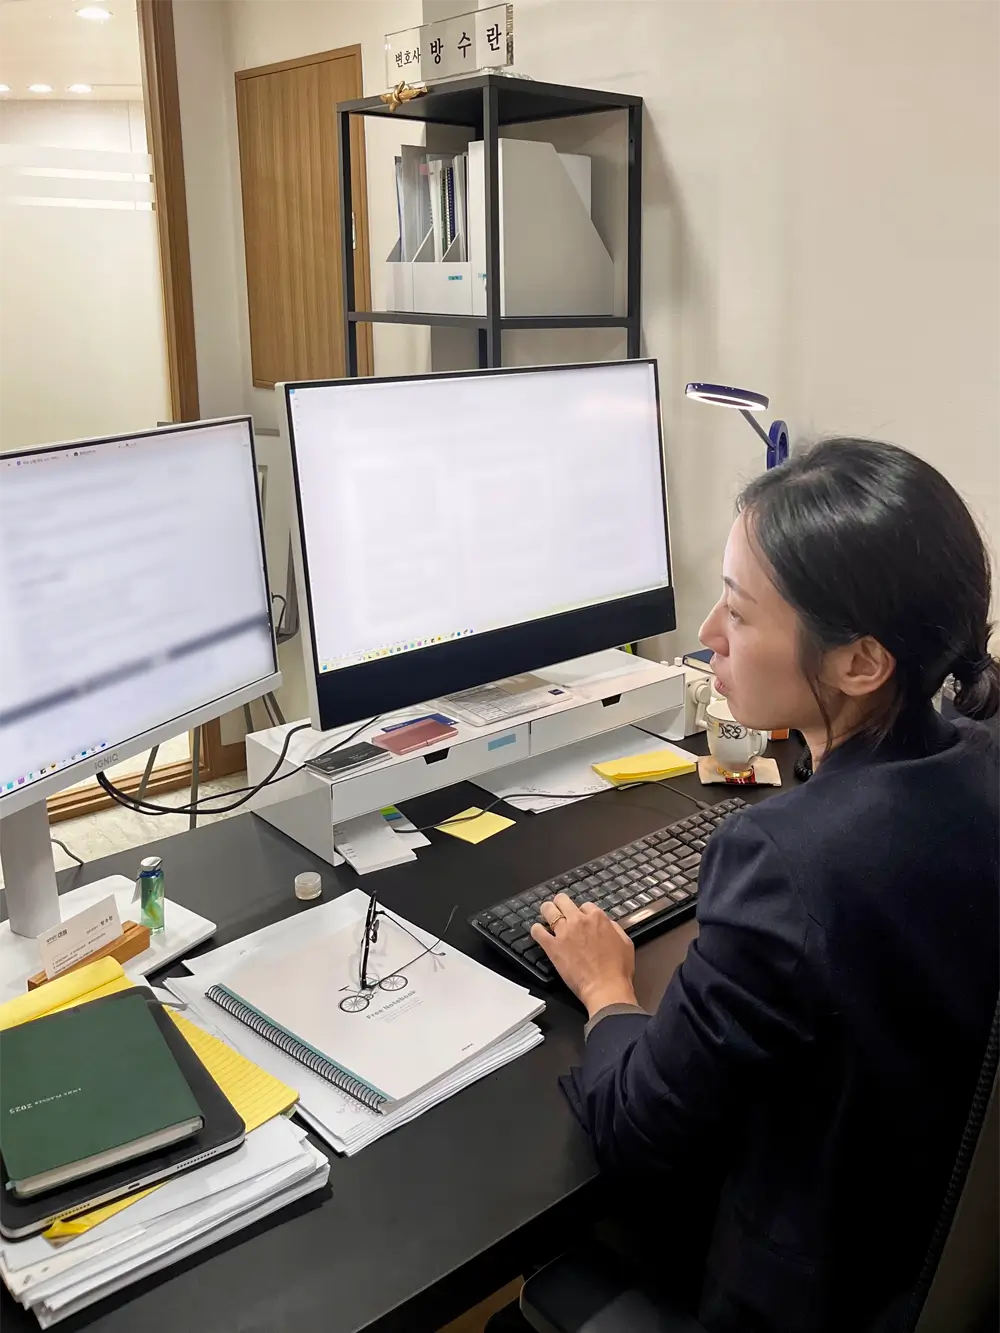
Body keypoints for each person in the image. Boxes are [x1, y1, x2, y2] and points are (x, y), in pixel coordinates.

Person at [530, 440, 1000, 1333]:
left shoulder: (787, 860)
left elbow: (635, 1128)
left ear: (861, 663)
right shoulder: (980, 761)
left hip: (801, 1296)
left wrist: (607, 992)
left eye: (739, 613)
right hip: (913, 1251)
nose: (709, 632)